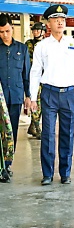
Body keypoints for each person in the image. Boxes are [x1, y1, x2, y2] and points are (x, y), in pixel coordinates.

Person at [27, 4, 74, 185]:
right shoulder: (42, 46)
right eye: (56, 20)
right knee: (47, 134)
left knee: (68, 133)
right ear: (49, 23)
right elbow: (35, 72)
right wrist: (32, 97)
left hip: (69, 94)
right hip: (49, 93)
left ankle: (65, 173)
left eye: (62, 19)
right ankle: (47, 174)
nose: (60, 22)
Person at [0, 16, 30, 182]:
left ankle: (7, 165)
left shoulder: (22, 49)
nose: (5, 35)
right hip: (0, 98)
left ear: (12, 28)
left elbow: (26, 74)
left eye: (7, 31)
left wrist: (28, 96)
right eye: (2, 32)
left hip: (16, 97)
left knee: (12, 132)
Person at [26, 21, 45, 139]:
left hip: (46, 78)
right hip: (33, 77)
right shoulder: (28, 44)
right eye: (34, 30)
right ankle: (37, 127)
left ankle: (32, 127)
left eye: (37, 30)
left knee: (43, 103)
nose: (35, 32)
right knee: (35, 101)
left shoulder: (48, 44)